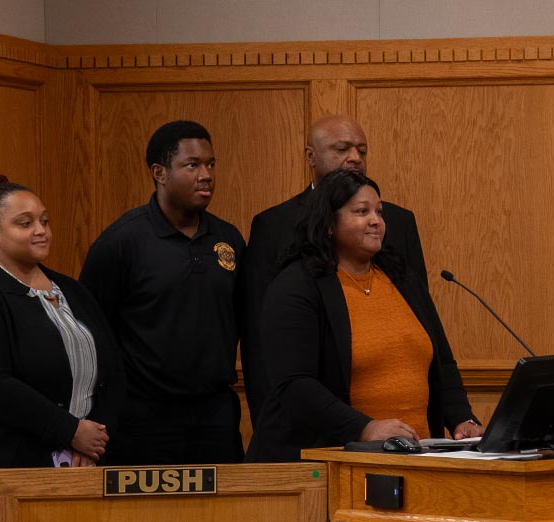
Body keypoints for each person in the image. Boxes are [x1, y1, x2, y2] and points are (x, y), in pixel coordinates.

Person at [245, 169, 480, 462]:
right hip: (333, 461)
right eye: (361, 211)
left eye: (379, 212)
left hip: (417, 459)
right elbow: (295, 384)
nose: (375, 221)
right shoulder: (296, 286)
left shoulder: (402, 278)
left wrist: (461, 419)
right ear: (329, 224)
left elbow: (442, 362)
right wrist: (364, 428)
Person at [240, 114, 430, 422]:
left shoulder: (399, 222)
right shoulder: (274, 225)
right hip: (315, 423)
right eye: (342, 149)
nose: (354, 158)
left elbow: (422, 317)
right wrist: (268, 416)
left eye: (362, 150)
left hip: (408, 423)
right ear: (311, 156)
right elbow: (259, 338)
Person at [0, 173, 123, 468]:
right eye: (25, 223)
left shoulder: (73, 291)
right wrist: (71, 432)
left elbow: (114, 370)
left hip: (78, 462)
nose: (41, 231)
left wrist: (93, 442)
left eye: (45, 221)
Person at [79, 121, 246, 464]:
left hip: (215, 415)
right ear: (160, 173)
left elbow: (246, 321)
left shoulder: (228, 238)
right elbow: (90, 334)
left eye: (211, 164)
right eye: (192, 165)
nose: (206, 175)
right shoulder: (120, 243)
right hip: (143, 418)